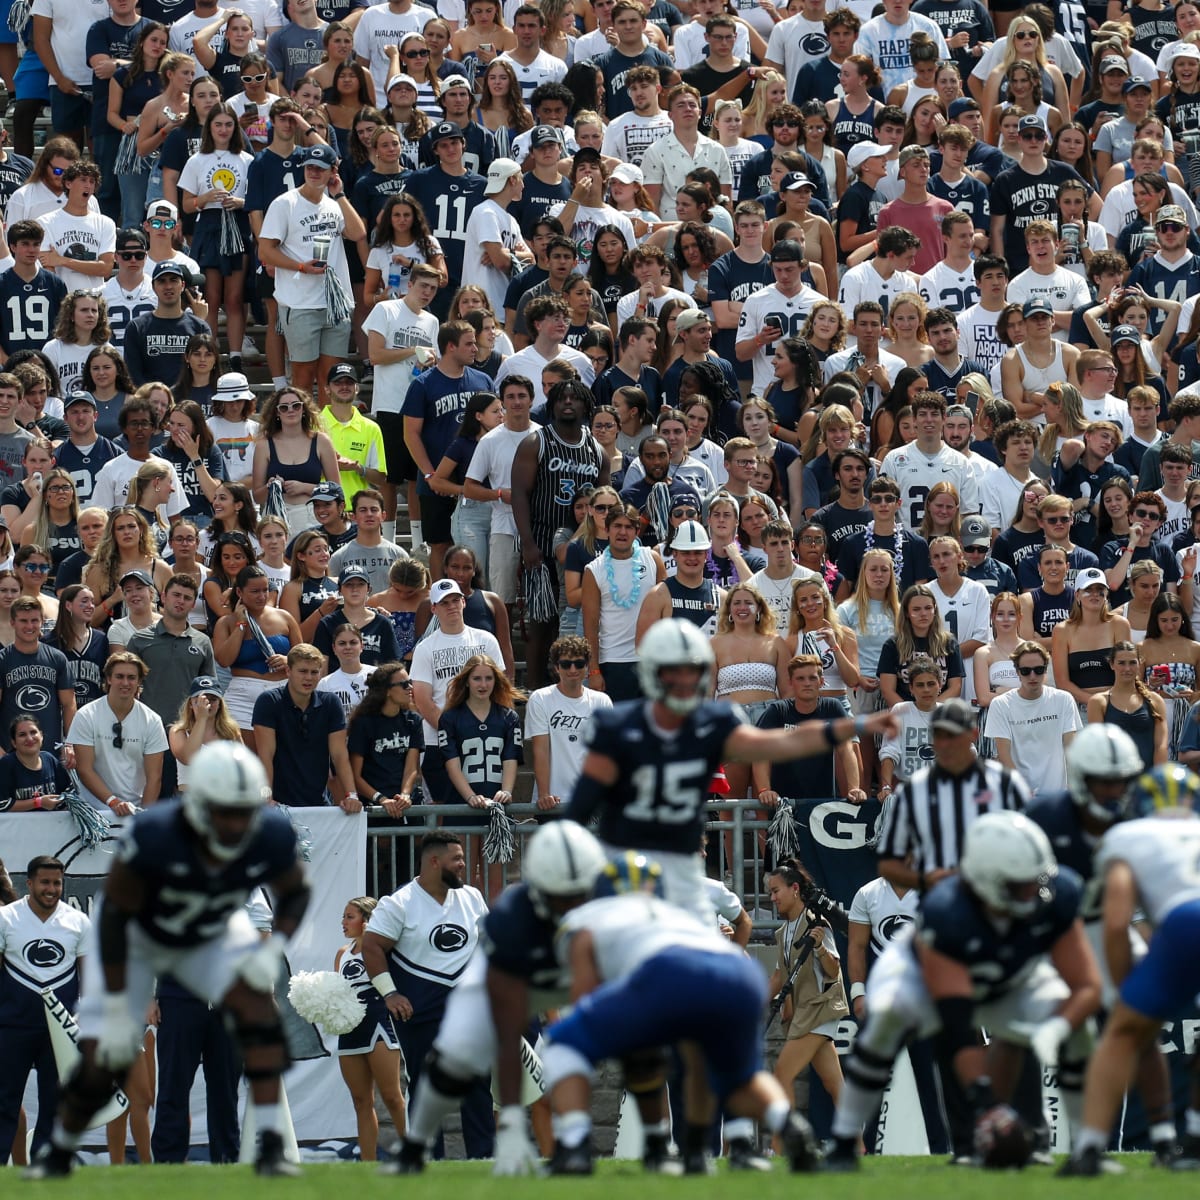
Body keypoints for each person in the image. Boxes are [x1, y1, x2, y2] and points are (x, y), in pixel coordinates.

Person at [26, 742, 310, 1178]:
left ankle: (244, 1158)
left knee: (250, 1050)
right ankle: (95, 1154)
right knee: (120, 1055)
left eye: (242, 810)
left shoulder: (267, 831)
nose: (234, 824)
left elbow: (293, 895)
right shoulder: (157, 834)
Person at [564, 618, 898, 917]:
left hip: (681, 870)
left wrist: (856, 726)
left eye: (690, 670)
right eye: (672, 671)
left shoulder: (714, 720)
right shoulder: (616, 726)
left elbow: (781, 742)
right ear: (652, 672)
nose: (682, 681)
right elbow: (581, 808)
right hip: (626, 867)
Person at [827, 810, 1100, 1170]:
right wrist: (988, 1105)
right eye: (1018, 885)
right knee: (885, 1024)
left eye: (1035, 881)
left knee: (1079, 1029)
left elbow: (1086, 986)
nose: (1033, 893)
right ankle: (845, 1142)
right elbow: (956, 1026)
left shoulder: (1057, 891)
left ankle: (1088, 1147)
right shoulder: (948, 910)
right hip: (922, 975)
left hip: (1010, 973)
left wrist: (1055, 1029)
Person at [539, 864, 821, 1178]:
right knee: (733, 1075)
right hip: (737, 975)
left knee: (564, 1042)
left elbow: (584, 999)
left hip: (670, 977)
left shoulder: (587, 921)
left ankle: (575, 1144)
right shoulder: (681, 904)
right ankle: (787, 1125)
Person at [1060, 765, 1200, 1175]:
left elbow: (1118, 919)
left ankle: (1088, 1148)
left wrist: (1124, 985)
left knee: (1122, 1033)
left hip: (1183, 921)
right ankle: (1193, 1137)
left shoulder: (1126, 836)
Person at [360, 831, 493, 1160]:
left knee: (477, 1083)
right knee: (426, 1084)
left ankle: (483, 1157)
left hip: (467, 1010)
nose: (463, 865)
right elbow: (372, 946)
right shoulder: (399, 903)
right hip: (418, 1011)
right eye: (456, 859)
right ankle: (427, 1160)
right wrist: (390, 994)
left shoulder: (473, 897)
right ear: (434, 862)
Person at [256, 143, 367, 405]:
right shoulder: (285, 203)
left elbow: (358, 233)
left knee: (331, 377)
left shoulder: (334, 204)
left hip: (335, 303)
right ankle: (303, 433)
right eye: (310, 168)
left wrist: (340, 195)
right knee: (303, 374)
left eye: (320, 169)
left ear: (333, 171)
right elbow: (265, 252)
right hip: (300, 301)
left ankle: (326, 436)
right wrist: (301, 267)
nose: (314, 173)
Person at [0, 856, 89, 1161]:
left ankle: (45, 1168)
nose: (52, 889)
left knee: (55, 1103)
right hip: (12, 1027)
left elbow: (88, 978)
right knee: (4, 1101)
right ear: (30, 883)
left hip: (60, 1032)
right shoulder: (6, 918)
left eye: (57, 883)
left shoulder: (78, 921)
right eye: (45, 882)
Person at [333, 895, 408, 1163]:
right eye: (343, 916)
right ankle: (367, 1165)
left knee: (391, 1096)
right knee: (361, 1101)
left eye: (349, 917)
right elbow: (338, 993)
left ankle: (413, 1154)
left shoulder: (384, 952)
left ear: (367, 922)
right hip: (351, 1028)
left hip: (379, 1022)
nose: (343, 922)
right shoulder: (342, 954)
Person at [252, 642, 361, 811]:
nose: (308, 678)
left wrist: (351, 795)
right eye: (302, 671)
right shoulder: (268, 702)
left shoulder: (331, 703)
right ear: (288, 671)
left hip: (318, 802)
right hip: (279, 804)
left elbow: (339, 755)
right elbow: (266, 755)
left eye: (314, 672)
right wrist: (267, 797)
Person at [987, 640, 1081, 796]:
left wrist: (1073, 792)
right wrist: (1023, 792)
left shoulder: (1064, 699)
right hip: (1020, 797)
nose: (1033, 676)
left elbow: (1071, 750)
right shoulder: (1000, 704)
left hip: (1058, 796)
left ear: (1046, 670)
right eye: (1025, 671)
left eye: (1038, 670)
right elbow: (1004, 755)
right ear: (1017, 671)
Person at [0, 595, 74, 755]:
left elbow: (69, 705)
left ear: (42, 622)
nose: (29, 626)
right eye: (23, 621)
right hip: (11, 753)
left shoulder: (57, 658)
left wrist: (70, 743)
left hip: (49, 752)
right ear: (12, 622)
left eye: (34, 620)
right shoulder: (2, 660)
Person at [347, 662, 423, 817]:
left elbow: (411, 768)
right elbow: (355, 775)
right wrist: (381, 799)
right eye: (404, 684)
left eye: (410, 682)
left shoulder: (413, 721)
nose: (410, 688)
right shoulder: (363, 723)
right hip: (374, 806)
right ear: (387, 690)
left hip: (404, 805)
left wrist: (405, 795)